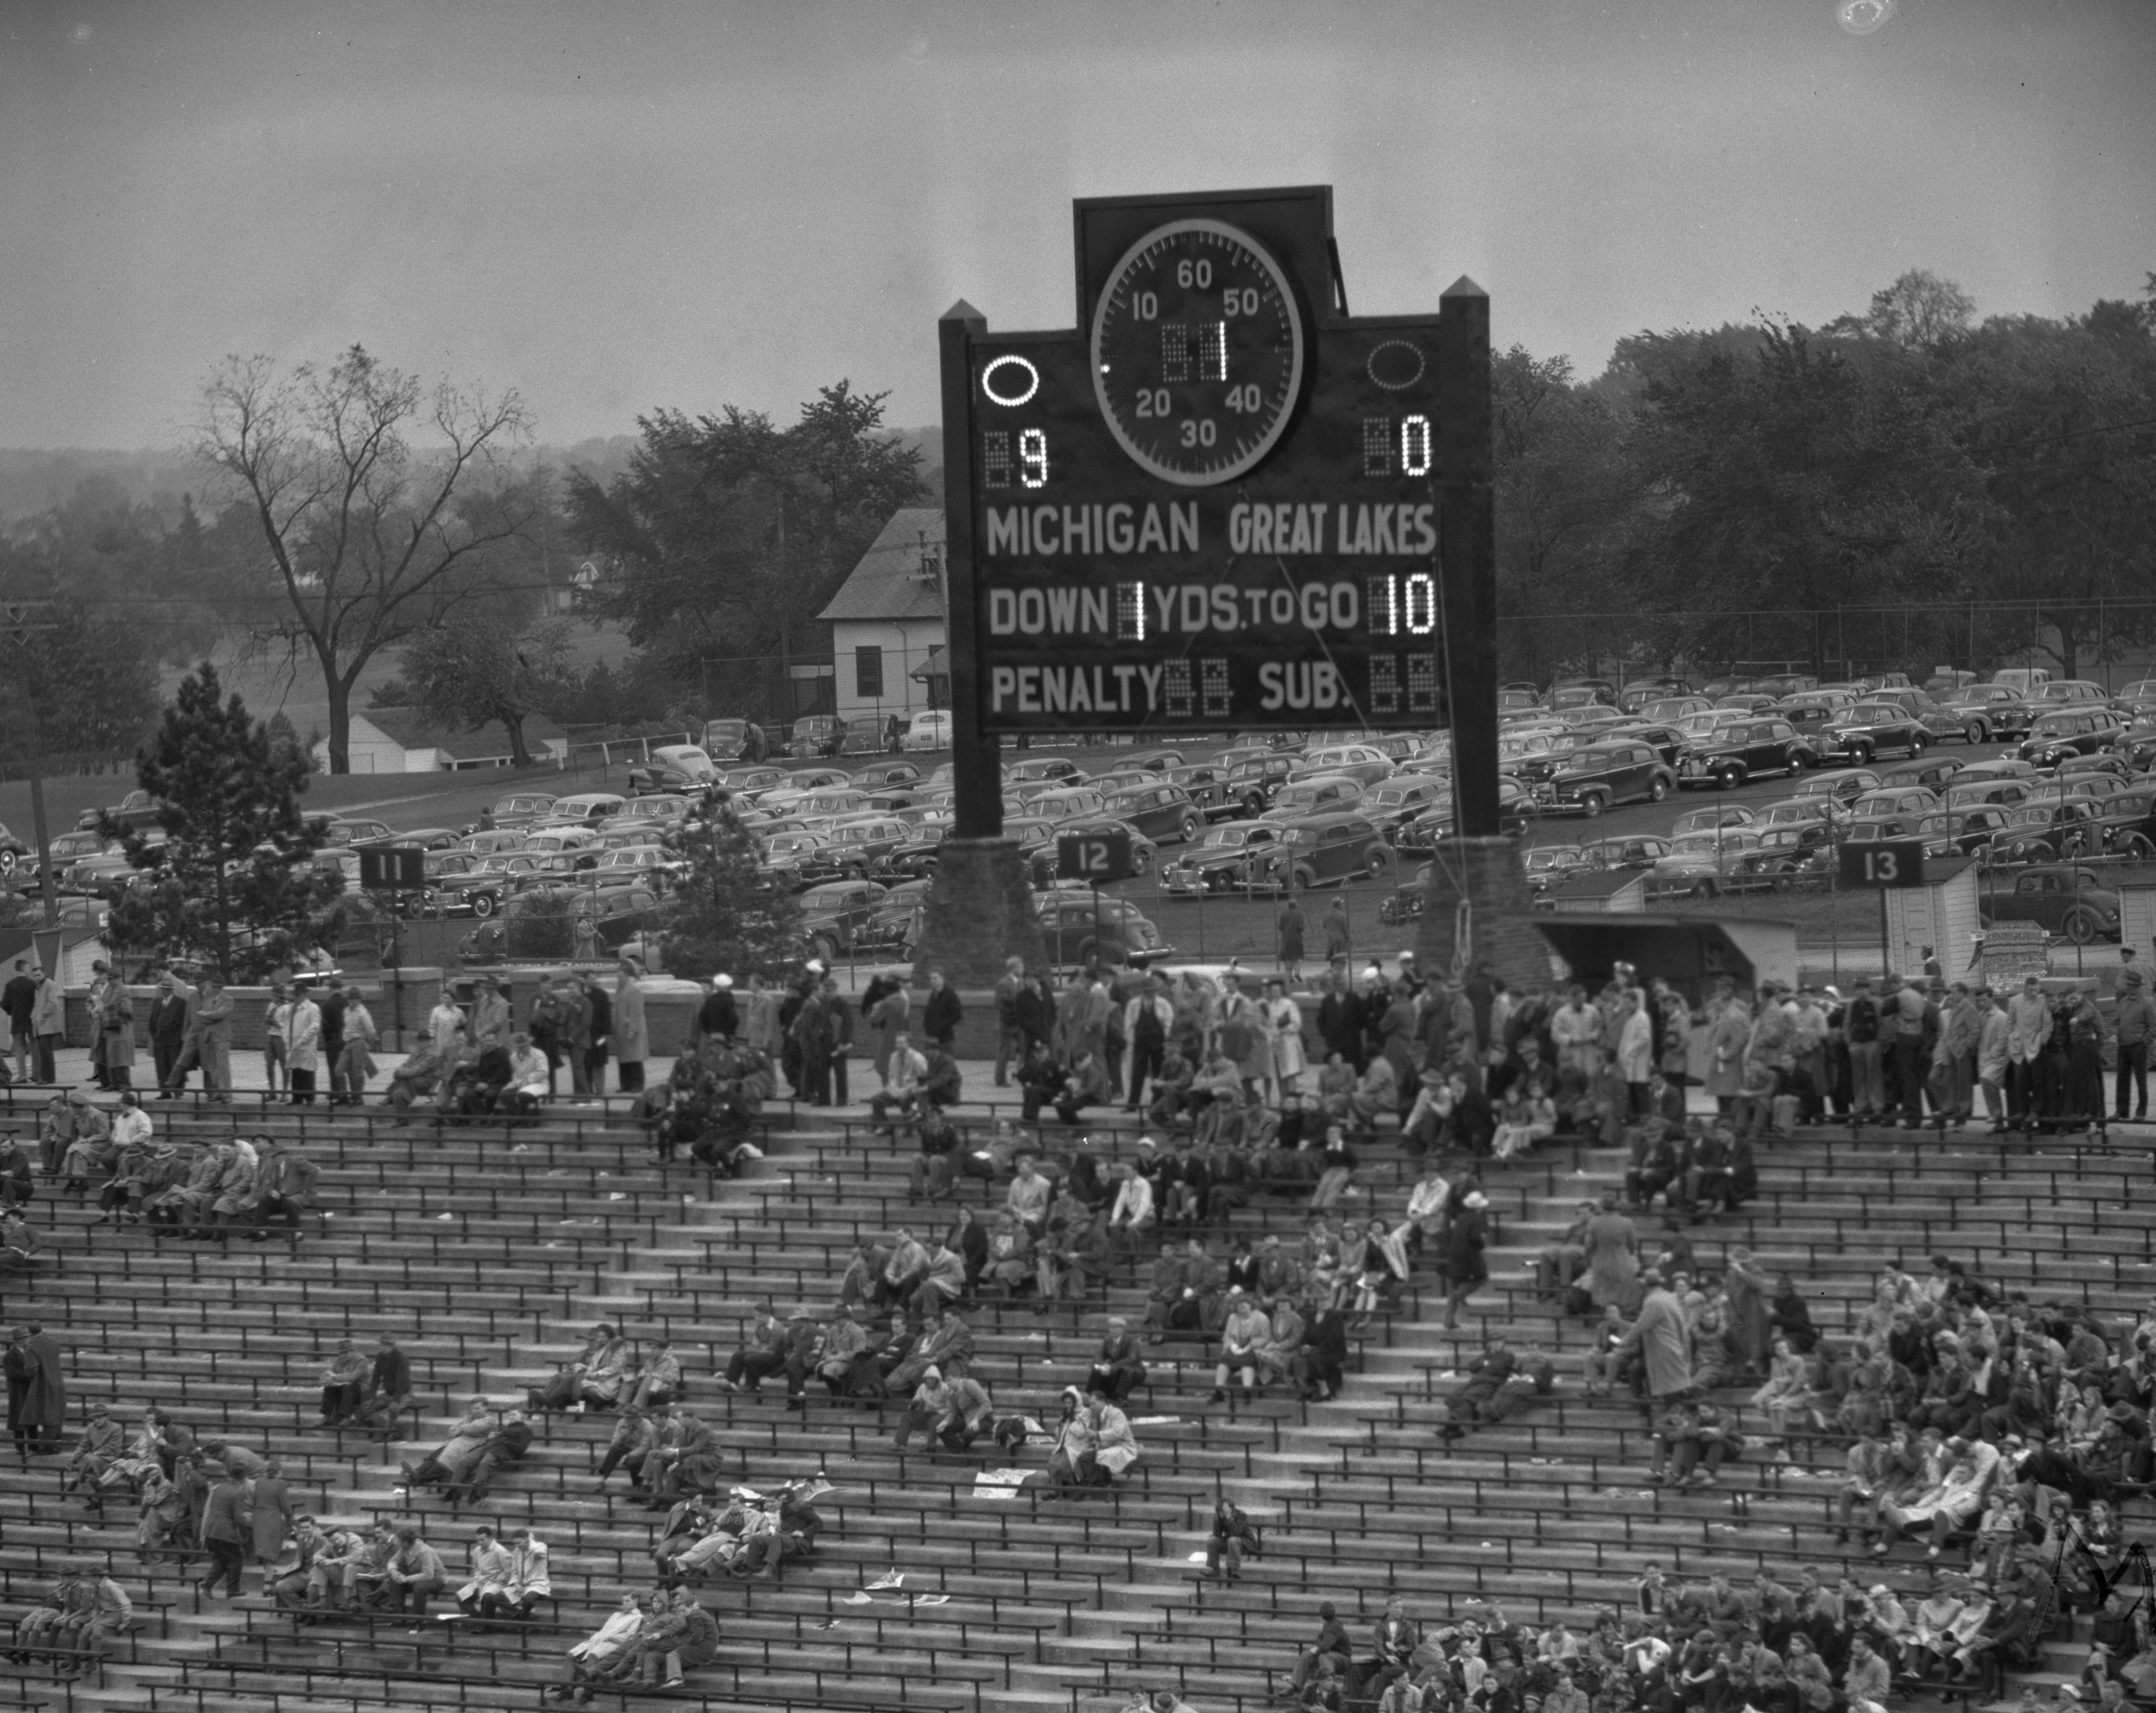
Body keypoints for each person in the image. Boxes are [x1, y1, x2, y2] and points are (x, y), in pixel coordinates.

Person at [614, 960, 649, 1093]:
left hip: (631, 1031)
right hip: (622, 1031)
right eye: (617, 976)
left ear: (627, 976)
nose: (618, 978)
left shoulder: (634, 990)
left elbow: (636, 1012)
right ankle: (626, 1085)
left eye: (621, 976)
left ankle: (638, 1085)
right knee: (624, 1060)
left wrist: (633, 1030)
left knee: (634, 1059)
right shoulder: (620, 990)